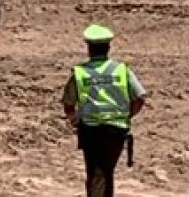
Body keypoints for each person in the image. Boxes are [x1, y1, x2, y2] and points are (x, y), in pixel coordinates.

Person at [62, 24, 147, 197]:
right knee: (106, 171)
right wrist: (126, 115)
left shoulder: (81, 73)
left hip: (91, 130)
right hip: (116, 129)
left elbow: (68, 103)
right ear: (108, 47)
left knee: (96, 173)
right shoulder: (122, 70)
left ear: (89, 49)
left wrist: (74, 120)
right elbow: (139, 97)